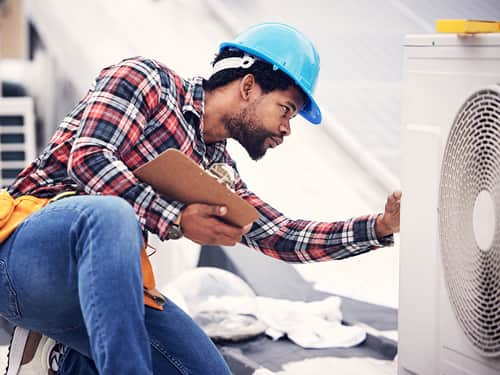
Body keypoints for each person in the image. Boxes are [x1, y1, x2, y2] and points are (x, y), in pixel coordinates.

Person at [0, 22, 401, 374]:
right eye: (286, 109)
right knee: (109, 216)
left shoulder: (216, 171)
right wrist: (176, 218)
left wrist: (379, 227)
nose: (286, 129)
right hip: (25, 255)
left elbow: (280, 234)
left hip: (103, 292)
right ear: (248, 87)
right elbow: (87, 158)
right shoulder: (146, 80)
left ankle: (64, 361)